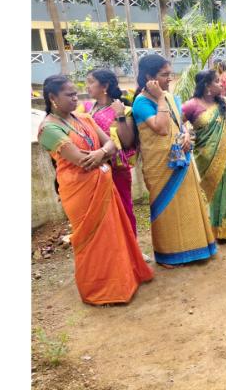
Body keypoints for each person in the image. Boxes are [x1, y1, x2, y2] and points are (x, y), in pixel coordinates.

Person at [38, 75, 153, 305]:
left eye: (75, 93)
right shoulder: (48, 128)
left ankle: (122, 281)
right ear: (52, 98)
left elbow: (112, 142)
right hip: (78, 191)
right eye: (69, 95)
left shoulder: (83, 118)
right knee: (92, 242)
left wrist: (102, 153)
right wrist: (103, 153)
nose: (75, 98)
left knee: (112, 236)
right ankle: (100, 289)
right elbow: (80, 160)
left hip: (103, 184)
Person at [132, 54, 217, 267]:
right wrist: (160, 97)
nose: (169, 78)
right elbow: (160, 128)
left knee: (188, 204)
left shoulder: (172, 97)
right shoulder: (141, 103)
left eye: (170, 74)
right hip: (160, 166)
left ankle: (195, 249)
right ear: (149, 77)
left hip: (181, 158)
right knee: (166, 209)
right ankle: (167, 255)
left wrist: (187, 136)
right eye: (164, 75)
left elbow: (180, 124)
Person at [182, 69, 226, 240]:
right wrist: (185, 133)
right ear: (206, 86)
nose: (221, 84)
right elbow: (177, 121)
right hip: (208, 156)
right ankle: (219, 229)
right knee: (218, 191)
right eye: (216, 81)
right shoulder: (191, 105)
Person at [80, 68, 138, 235]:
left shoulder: (123, 109)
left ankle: (132, 248)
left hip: (117, 169)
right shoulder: (86, 108)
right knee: (102, 213)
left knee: (124, 208)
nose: (87, 87)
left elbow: (127, 141)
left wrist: (120, 115)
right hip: (94, 168)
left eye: (91, 82)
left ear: (104, 86)